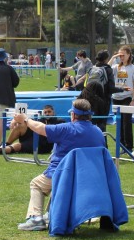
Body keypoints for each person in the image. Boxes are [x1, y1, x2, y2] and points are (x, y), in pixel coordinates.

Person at [15, 98, 107, 231]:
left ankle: (35, 218)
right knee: (56, 184)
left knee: (36, 184)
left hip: (62, 174)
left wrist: (26, 119)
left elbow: (40, 128)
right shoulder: (98, 132)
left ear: (73, 115)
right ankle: (52, 214)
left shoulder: (66, 129)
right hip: (89, 178)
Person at [110, 46, 134, 150]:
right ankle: (121, 145)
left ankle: (128, 147)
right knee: (119, 123)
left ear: (129, 55)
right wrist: (113, 57)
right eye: (119, 55)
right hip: (116, 97)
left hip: (127, 97)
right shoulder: (115, 67)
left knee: (127, 123)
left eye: (123, 55)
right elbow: (105, 68)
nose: (121, 57)